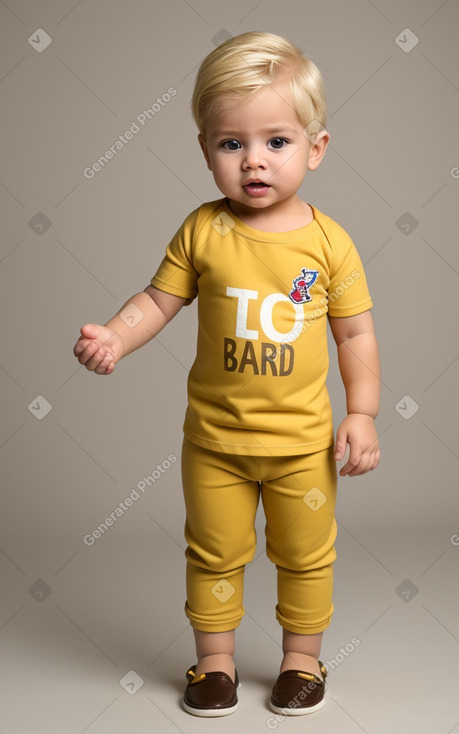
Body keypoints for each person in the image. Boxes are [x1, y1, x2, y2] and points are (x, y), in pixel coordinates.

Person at [73, 31, 380, 718]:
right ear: (206, 149)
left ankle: (301, 659)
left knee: (304, 556)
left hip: (303, 444)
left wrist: (360, 413)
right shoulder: (202, 231)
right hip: (214, 443)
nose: (253, 162)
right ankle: (213, 662)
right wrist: (116, 338)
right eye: (230, 144)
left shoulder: (329, 244)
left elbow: (354, 332)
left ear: (315, 148)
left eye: (276, 141)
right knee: (212, 552)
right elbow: (157, 301)